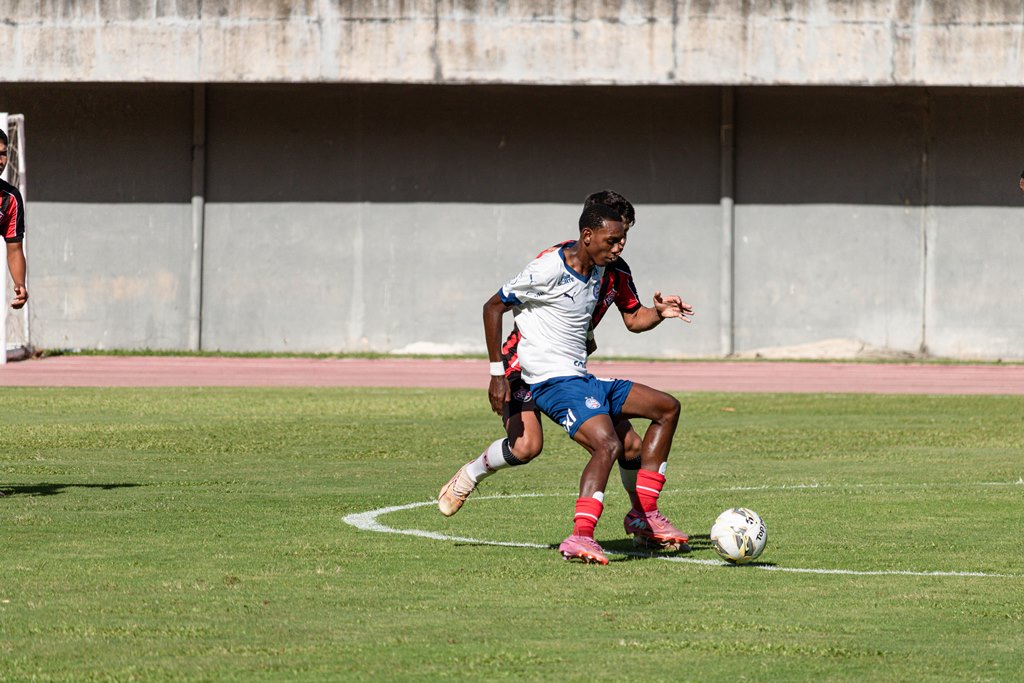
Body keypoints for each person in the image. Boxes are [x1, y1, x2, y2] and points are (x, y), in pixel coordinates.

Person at [438, 191, 694, 551]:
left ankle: (643, 519)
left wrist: (659, 313)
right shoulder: (553, 264)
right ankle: (470, 475)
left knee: (631, 443)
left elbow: (634, 318)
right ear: (590, 231)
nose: (620, 244)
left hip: (571, 373)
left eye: (624, 235)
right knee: (526, 446)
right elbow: (496, 306)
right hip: (523, 368)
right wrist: (497, 374)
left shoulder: (614, 271)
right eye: (614, 236)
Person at [0, 129, 28, 312]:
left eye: (3, 154)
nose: (0, 160)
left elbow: (15, 249)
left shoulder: (10, 199)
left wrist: (20, 284)